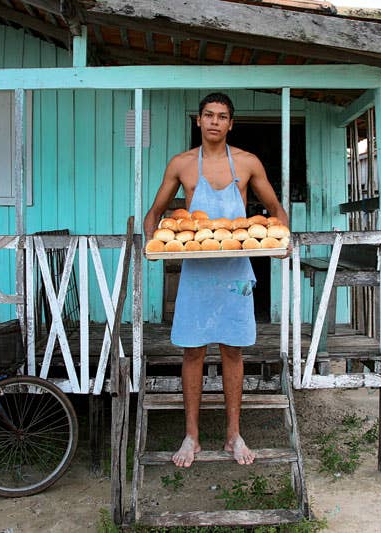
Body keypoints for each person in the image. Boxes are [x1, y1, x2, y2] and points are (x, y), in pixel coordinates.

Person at [143, 92, 289, 467]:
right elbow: (154, 214)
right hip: (196, 273)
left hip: (236, 275)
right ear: (198, 120)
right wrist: (153, 247)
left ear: (230, 124)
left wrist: (283, 241)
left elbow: (275, 210)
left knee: (233, 351)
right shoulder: (182, 165)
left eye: (222, 116)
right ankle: (191, 436)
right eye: (208, 115)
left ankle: (233, 435)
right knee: (192, 351)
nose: (214, 122)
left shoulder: (247, 162)